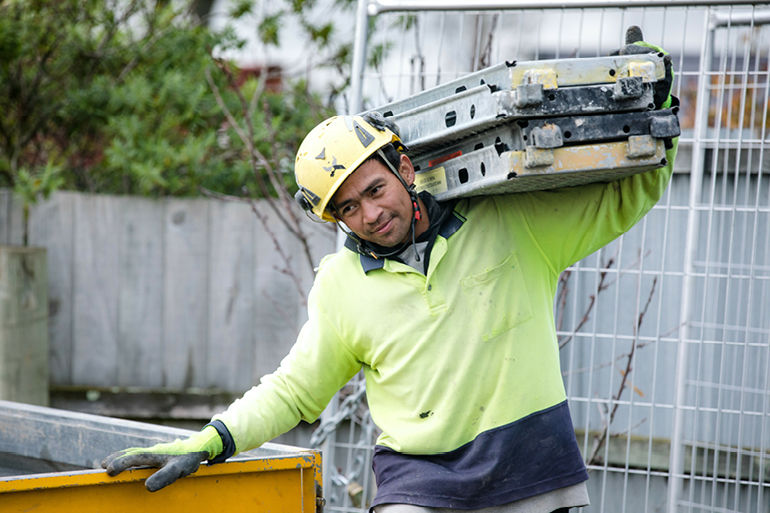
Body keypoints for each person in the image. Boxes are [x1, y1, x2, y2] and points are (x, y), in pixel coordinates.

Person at [102, 27, 678, 513]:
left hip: (535, 471)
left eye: (375, 189)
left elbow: (631, 195)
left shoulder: (509, 223)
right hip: (420, 486)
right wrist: (209, 442)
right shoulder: (341, 287)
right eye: (347, 209)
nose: (370, 215)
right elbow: (295, 390)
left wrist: (657, 110)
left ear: (403, 166)